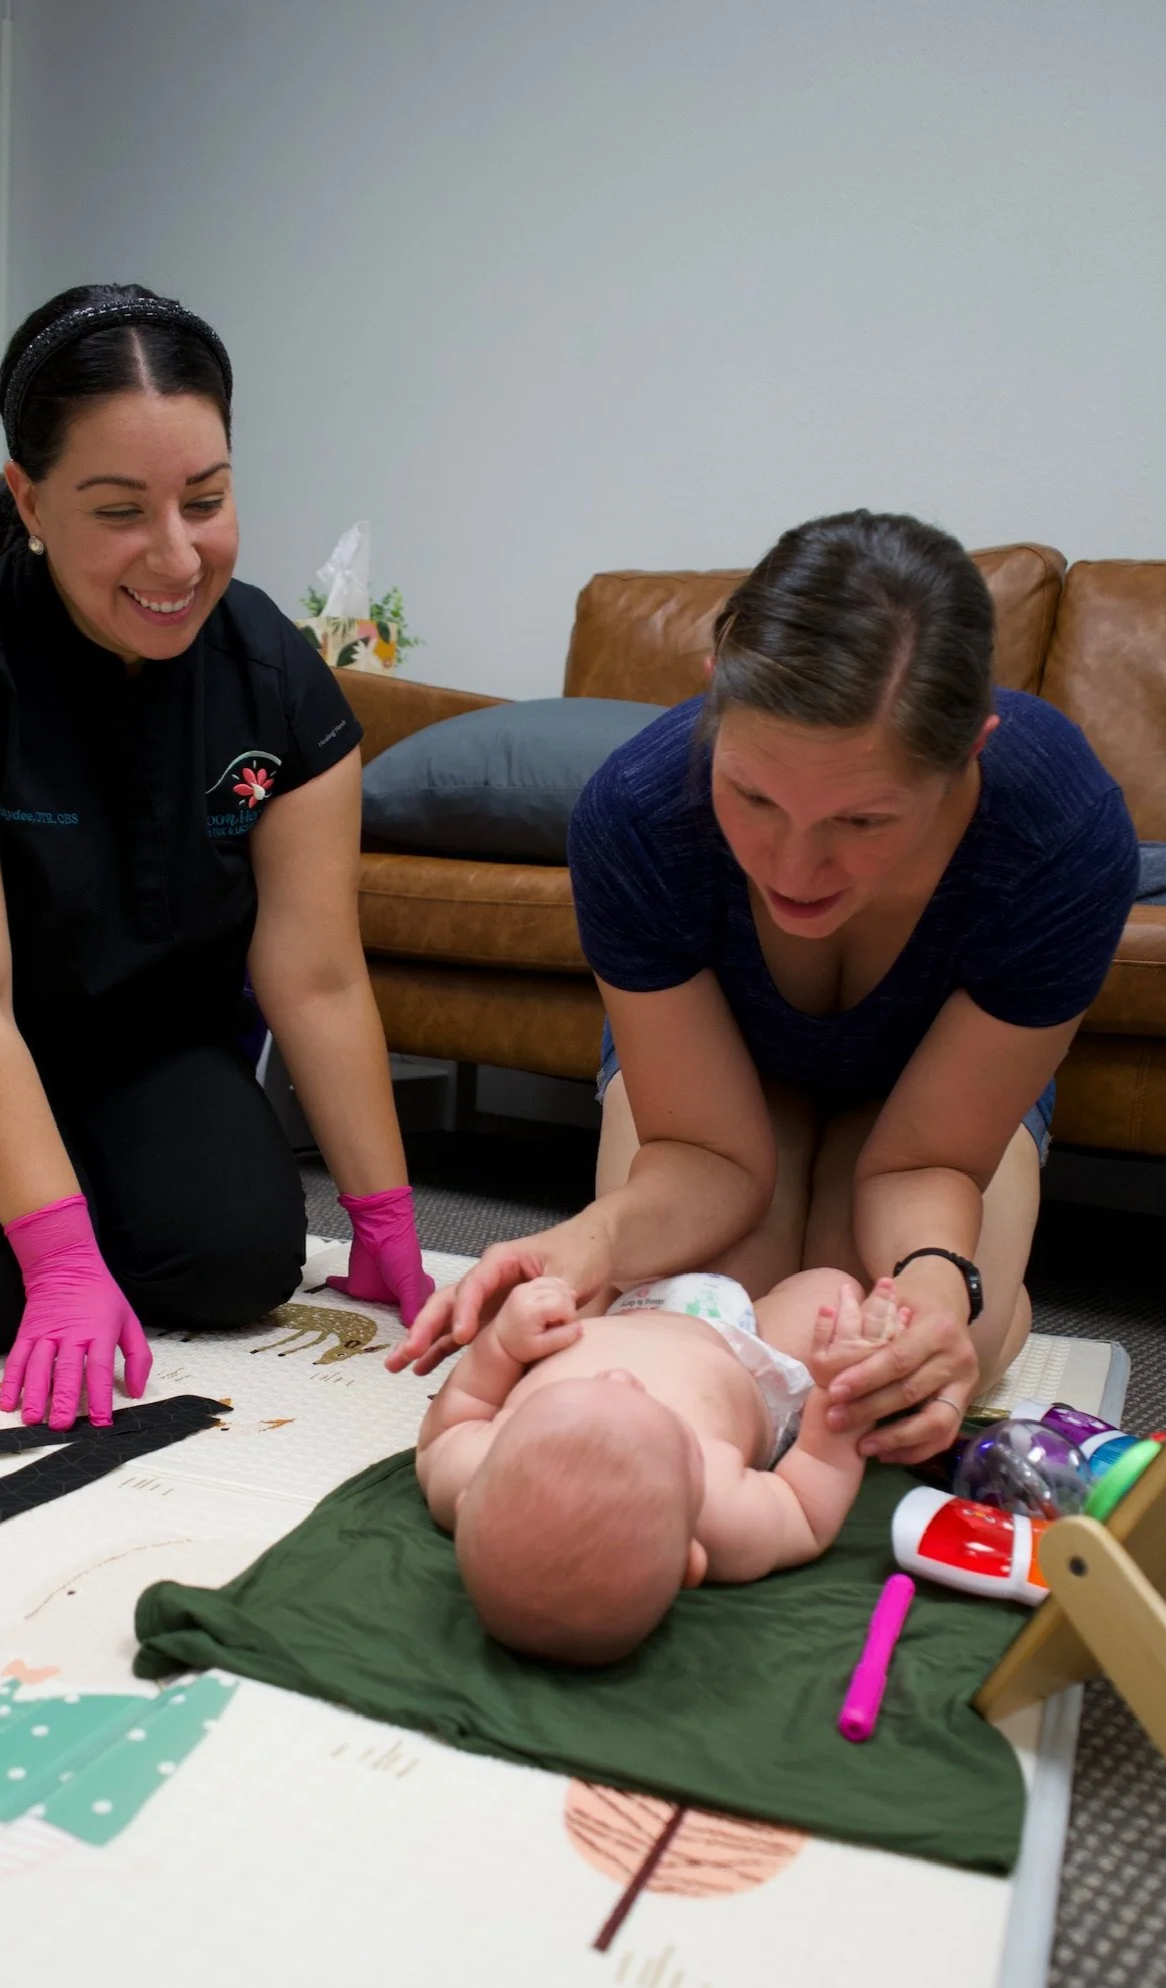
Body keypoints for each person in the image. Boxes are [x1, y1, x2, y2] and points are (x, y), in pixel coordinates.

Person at [0, 283, 432, 1431]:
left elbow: (318, 973)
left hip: (130, 1037)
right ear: (30, 501)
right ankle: (14, 1205)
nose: (175, 556)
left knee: (234, 1265)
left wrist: (386, 1223)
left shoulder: (274, 677)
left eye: (208, 499)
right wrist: (62, 1260)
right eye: (121, 510)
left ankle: (67, 1185)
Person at [394, 510, 1138, 1465]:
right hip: (714, 1108)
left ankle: (1001, 1312)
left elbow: (925, 1165)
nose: (794, 864)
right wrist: (594, 1239)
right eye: (752, 795)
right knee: (697, 1320)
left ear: (972, 749)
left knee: (880, 1359)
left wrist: (945, 1292)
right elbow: (704, 1152)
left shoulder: (1061, 836)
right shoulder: (638, 812)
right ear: (713, 698)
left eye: (863, 819)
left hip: (931, 1121)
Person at [414, 1266, 904, 1664]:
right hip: (742, 1347)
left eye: (590, 1385)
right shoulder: (720, 1512)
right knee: (828, 1285)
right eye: (655, 1409)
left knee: (578, 1273)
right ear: (694, 1559)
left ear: (468, 1501)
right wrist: (838, 1394)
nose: (619, 1377)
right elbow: (809, 1502)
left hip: (609, 1312)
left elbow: (464, 1405)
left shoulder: (470, 1466)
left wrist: (501, 1344)